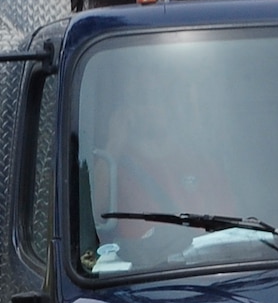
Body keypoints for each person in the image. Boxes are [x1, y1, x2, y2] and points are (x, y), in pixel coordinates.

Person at [90, 84, 236, 234]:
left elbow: (226, 230)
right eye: (142, 98)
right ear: (126, 111)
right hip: (140, 257)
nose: (151, 106)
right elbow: (94, 217)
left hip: (201, 256)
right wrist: (114, 144)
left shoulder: (202, 163)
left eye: (159, 96)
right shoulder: (114, 166)